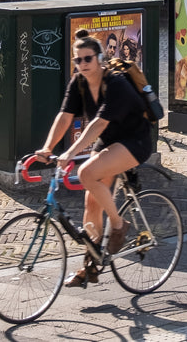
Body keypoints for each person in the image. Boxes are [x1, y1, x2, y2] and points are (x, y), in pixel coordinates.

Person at [33, 33, 155, 288]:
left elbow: (99, 124)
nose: (83, 64)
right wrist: (47, 147)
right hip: (110, 141)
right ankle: (91, 266)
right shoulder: (79, 82)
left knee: (87, 173)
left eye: (88, 58)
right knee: (91, 203)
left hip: (135, 140)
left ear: (99, 59)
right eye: (78, 60)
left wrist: (69, 152)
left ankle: (120, 226)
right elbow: (65, 116)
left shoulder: (116, 83)